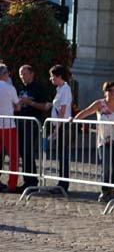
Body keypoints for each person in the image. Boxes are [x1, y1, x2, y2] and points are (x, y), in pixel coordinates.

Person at [73, 80, 114, 202]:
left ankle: (113, 188)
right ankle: (105, 190)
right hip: (104, 140)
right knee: (106, 165)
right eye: (110, 90)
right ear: (105, 92)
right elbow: (86, 112)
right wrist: (74, 119)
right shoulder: (100, 104)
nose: (112, 93)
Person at [16, 65, 48, 188]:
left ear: (31, 74)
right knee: (22, 152)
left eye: (24, 74)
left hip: (32, 123)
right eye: (20, 74)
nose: (22, 77)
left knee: (28, 151)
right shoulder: (20, 88)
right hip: (20, 121)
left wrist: (29, 102)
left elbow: (44, 106)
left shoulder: (38, 89)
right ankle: (27, 180)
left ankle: (32, 181)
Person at [46, 65, 72, 193]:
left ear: (59, 76)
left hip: (63, 125)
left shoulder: (65, 89)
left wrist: (57, 128)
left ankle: (63, 184)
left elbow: (63, 110)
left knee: (63, 155)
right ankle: (61, 183)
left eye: (53, 77)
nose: (51, 79)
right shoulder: (60, 89)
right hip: (60, 125)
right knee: (61, 155)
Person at [0, 64, 21, 192]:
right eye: (7, 72)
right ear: (4, 74)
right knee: (13, 156)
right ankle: (12, 184)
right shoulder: (10, 88)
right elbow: (18, 106)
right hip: (8, 125)